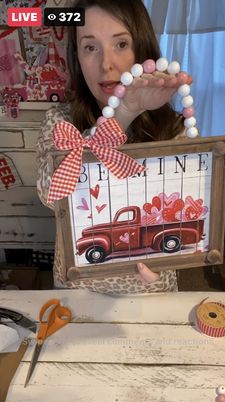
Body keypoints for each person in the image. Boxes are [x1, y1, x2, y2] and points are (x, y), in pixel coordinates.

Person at [37, 0, 192, 294]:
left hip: (152, 289)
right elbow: (51, 194)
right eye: (90, 47)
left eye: (121, 44)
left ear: (141, 49)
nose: (106, 64)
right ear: (77, 56)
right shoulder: (60, 122)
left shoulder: (173, 128)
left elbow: (184, 208)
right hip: (77, 293)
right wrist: (123, 113)